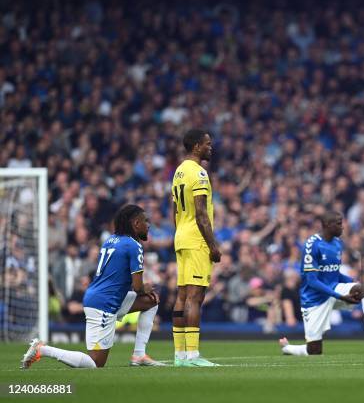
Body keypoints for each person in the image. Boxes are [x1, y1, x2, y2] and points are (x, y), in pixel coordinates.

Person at [21, 204, 163, 369]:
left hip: (104, 297)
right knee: (95, 363)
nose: (149, 224)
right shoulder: (133, 245)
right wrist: (144, 287)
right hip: (105, 304)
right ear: (136, 224)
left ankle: (139, 355)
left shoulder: (111, 239)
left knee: (151, 301)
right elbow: (138, 288)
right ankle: (42, 350)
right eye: (145, 221)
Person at [279, 210, 364, 356]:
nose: (342, 227)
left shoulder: (337, 243)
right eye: (339, 224)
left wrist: (351, 282)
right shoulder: (312, 245)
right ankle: (288, 348)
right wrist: (339, 296)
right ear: (327, 225)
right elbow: (312, 281)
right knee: (314, 351)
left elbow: (334, 273)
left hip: (334, 289)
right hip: (314, 299)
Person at [171, 129, 221, 367]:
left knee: (182, 296)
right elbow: (201, 213)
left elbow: (174, 212)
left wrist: (180, 233)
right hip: (196, 239)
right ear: (196, 147)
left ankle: (179, 356)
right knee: (195, 296)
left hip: (181, 236)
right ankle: (192, 356)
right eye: (207, 144)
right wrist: (213, 245)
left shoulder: (179, 171)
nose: (210, 147)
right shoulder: (199, 173)